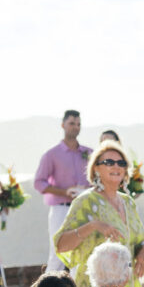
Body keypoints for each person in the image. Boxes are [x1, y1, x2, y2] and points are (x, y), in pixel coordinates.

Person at [53, 140, 144, 287]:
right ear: (96, 168)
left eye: (121, 162)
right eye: (109, 162)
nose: (116, 166)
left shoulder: (128, 202)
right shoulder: (85, 201)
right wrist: (93, 226)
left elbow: (140, 241)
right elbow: (61, 245)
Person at [34, 110, 92, 271]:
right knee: (57, 252)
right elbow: (39, 183)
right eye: (72, 123)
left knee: (84, 251)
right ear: (63, 125)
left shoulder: (89, 153)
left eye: (78, 124)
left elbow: (98, 180)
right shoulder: (51, 155)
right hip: (61, 209)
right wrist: (65, 192)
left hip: (85, 208)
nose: (76, 127)